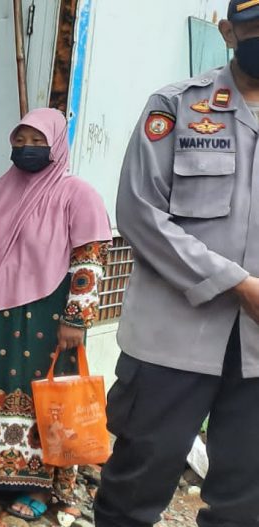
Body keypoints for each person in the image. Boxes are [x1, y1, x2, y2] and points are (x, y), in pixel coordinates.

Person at [95, 2, 259, 525]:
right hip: (171, 342)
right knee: (134, 488)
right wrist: (237, 284)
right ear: (228, 31)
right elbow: (140, 214)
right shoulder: (177, 106)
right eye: (256, 27)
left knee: (244, 502)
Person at [0, 108, 111, 521]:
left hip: (43, 317)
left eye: (37, 141)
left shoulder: (76, 193)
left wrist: (76, 317)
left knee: (40, 399)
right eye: (20, 141)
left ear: (56, 143)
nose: (26, 149)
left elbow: (90, 259)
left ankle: (40, 487)